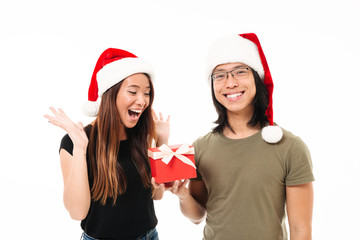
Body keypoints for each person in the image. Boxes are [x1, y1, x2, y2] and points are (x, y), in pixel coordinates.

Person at [167, 33, 315, 239]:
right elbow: (197, 215)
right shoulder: (200, 147)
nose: (230, 83)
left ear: (257, 77)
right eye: (220, 75)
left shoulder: (290, 147)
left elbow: (301, 230)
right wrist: (183, 195)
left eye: (239, 72)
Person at [44, 48, 170, 240]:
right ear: (110, 94)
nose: (142, 101)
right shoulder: (74, 142)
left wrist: (162, 142)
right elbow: (77, 212)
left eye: (146, 93)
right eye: (133, 92)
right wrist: (80, 150)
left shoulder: (141, 136)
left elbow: (157, 195)